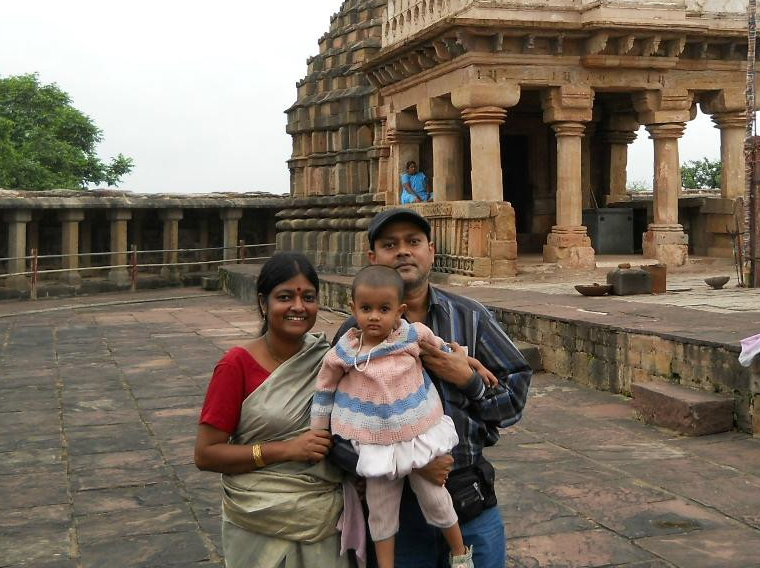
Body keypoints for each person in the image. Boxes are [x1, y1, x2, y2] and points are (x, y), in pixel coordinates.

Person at [332, 208, 532, 568]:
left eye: (414, 242)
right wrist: (408, 463)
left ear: (432, 251)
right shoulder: (353, 339)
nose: (404, 251)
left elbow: (515, 398)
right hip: (395, 510)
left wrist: (470, 382)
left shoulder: (470, 317)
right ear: (373, 258)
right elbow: (337, 432)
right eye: (390, 244)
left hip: (468, 496)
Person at [313, 265, 490, 568]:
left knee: (435, 497)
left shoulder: (410, 335)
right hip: (374, 439)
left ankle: (460, 553)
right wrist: (317, 429)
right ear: (352, 307)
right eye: (366, 308)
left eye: (384, 309)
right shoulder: (344, 352)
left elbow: (444, 350)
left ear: (400, 311)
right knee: (381, 507)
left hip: (415, 431)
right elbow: (324, 390)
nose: (374, 317)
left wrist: (472, 365)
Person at [195, 252, 350, 568]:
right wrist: (286, 450)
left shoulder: (330, 360)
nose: (298, 306)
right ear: (264, 303)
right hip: (257, 515)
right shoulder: (235, 365)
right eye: (285, 297)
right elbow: (206, 454)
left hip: (322, 515)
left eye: (308, 297)